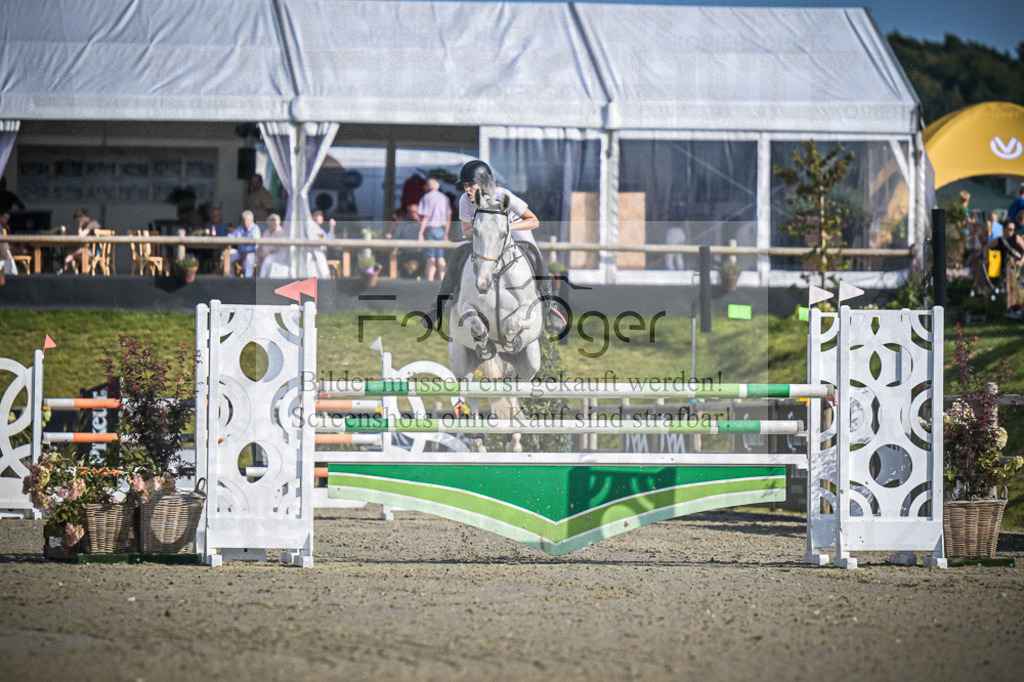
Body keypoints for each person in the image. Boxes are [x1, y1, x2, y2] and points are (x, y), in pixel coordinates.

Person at [422, 160, 562, 331]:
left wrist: (506, 227)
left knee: (535, 256)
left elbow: (534, 221)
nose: (467, 189)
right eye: (465, 185)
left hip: (515, 231)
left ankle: (550, 307)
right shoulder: (464, 201)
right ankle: (438, 306)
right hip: (485, 236)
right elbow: (466, 230)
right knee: (458, 255)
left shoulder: (503, 195)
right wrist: (485, 233)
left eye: (471, 185)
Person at [985, 220, 1024, 318]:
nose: (1011, 231)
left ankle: (1017, 309)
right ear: (1004, 229)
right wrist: (987, 259)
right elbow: (986, 247)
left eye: (1013, 230)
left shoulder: (1016, 238)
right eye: (1010, 229)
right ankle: (1010, 308)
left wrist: (1022, 261)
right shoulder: (1000, 240)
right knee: (1008, 288)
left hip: (1018, 269)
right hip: (1006, 270)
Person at [417, 178, 452, 281]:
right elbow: (448, 217)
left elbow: (425, 217)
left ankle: (430, 280)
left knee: (430, 257)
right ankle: (442, 279)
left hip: (430, 229)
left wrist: (420, 232)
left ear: (428, 186)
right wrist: (446, 233)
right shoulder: (444, 198)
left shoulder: (426, 198)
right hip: (441, 229)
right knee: (440, 256)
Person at [229, 210, 260, 277]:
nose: (245, 222)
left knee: (249, 258)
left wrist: (246, 252)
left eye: (247, 220)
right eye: (243, 220)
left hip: (253, 254)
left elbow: (255, 243)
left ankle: (247, 280)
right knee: (227, 255)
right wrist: (229, 233)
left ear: (252, 220)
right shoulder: (240, 228)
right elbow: (231, 236)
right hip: (241, 253)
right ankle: (230, 278)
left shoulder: (255, 229)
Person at [258, 213, 290, 279]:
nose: (272, 223)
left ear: (279, 222)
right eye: (270, 221)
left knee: (268, 260)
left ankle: (261, 279)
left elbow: (277, 248)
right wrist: (259, 252)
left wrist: (266, 254)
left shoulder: (281, 232)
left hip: (276, 255)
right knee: (250, 258)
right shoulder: (266, 232)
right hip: (263, 254)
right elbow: (260, 244)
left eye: (274, 221)